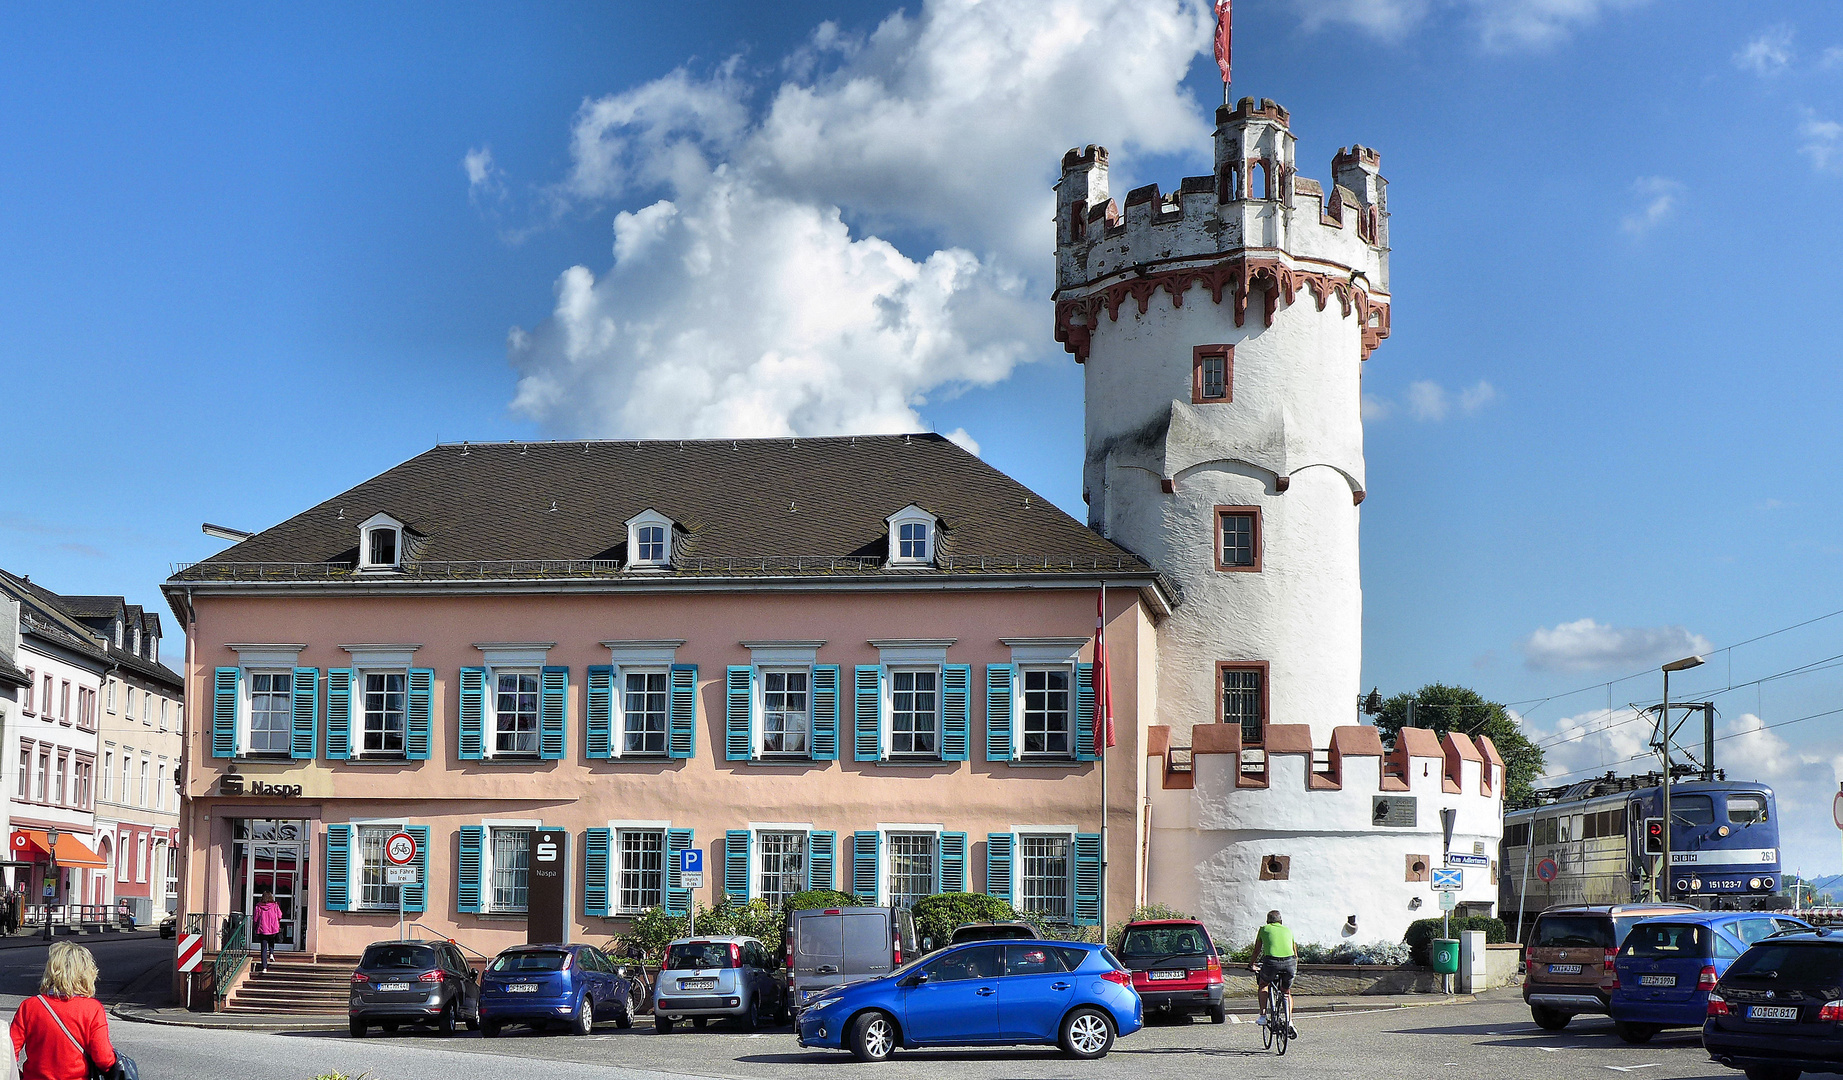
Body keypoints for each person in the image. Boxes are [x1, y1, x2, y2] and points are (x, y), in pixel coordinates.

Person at [11, 941, 117, 1080]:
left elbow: (9, 1052)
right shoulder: (92, 1009)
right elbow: (104, 1059)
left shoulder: (29, 1006)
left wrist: (18, 1075)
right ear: (87, 974)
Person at [1250, 909, 1298, 1039]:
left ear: (1268, 921)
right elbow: (1295, 953)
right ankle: (1289, 1021)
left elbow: (1257, 950)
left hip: (1271, 962)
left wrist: (1251, 964)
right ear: (1280, 921)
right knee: (1286, 992)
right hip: (1290, 962)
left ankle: (1263, 1016)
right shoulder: (1288, 930)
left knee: (1264, 984)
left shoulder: (1264, 929)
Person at [252, 890, 284, 973]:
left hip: (262, 929)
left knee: (263, 948)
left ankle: (264, 968)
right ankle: (271, 953)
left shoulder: (258, 906)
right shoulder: (275, 906)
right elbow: (280, 915)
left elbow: (255, 918)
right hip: (273, 928)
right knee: (272, 940)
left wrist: (255, 926)